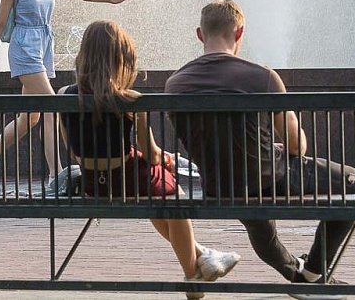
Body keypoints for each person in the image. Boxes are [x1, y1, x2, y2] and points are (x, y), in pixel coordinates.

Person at [165, 0, 355, 300]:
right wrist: (271, 145)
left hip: (220, 184)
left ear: (199, 34)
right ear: (239, 33)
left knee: (258, 219)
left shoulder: (175, 84)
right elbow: (298, 147)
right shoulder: (262, 77)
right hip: (268, 176)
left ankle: (304, 278)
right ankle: (314, 270)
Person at [59, 20, 240, 299]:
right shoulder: (131, 100)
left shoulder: (64, 96)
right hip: (128, 179)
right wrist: (164, 158)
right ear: (120, 58)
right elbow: (152, 153)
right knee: (173, 196)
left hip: (94, 184)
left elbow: (73, 152)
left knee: (158, 194)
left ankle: (204, 254)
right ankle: (193, 276)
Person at [0, 0, 133, 188]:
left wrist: (109, 0)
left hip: (43, 46)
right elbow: (1, 21)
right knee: (51, 104)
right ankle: (54, 174)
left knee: (31, 118)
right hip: (24, 48)